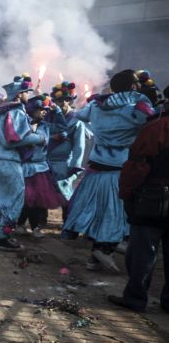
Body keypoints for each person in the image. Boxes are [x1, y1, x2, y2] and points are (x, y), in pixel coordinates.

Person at [62, 69, 152, 272]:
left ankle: (95, 258)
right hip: (118, 171)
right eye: (137, 83)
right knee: (115, 214)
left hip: (96, 169)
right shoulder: (135, 109)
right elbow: (151, 119)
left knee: (99, 213)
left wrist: (100, 100)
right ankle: (104, 250)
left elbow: (81, 115)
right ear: (132, 86)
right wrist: (141, 97)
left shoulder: (97, 105)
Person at [112, 84, 168, 311]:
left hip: (152, 200)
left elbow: (136, 167)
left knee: (143, 253)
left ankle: (135, 299)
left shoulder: (156, 128)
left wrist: (126, 195)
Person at [0, 75, 44, 251]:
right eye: (27, 92)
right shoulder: (16, 111)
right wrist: (39, 138)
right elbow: (13, 139)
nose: (29, 95)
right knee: (13, 199)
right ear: (20, 94)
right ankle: (4, 236)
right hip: (7, 160)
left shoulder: (2, 110)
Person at [18, 95, 66, 238]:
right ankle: (20, 224)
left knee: (38, 201)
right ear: (32, 109)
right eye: (41, 109)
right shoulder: (23, 124)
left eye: (46, 110)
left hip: (41, 169)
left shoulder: (46, 126)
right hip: (24, 167)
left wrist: (57, 111)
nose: (44, 112)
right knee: (25, 199)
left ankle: (36, 227)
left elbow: (63, 127)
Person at [46, 81, 91, 217]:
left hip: (65, 163)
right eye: (57, 101)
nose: (59, 104)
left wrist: (74, 168)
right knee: (44, 192)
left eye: (62, 101)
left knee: (66, 194)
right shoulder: (50, 117)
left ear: (69, 101)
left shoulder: (76, 121)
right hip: (47, 161)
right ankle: (40, 223)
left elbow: (79, 147)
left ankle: (68, 222)